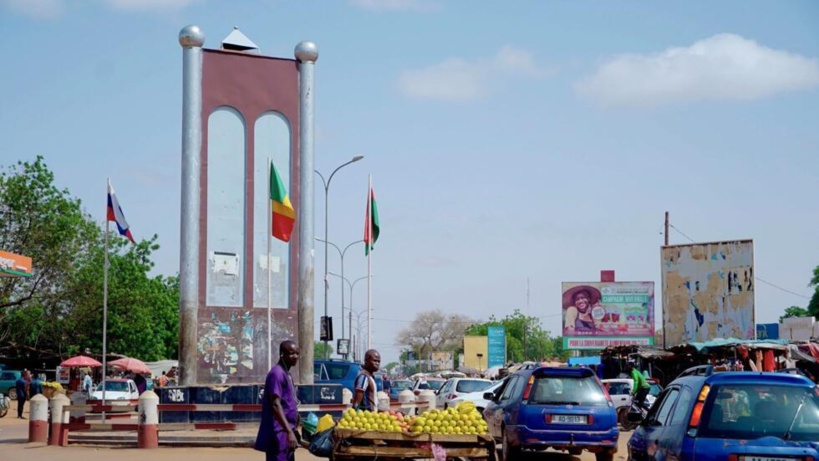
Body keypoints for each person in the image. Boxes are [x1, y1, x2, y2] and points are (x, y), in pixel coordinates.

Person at [255, 340, 300, 461]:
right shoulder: (277, 373)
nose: (295, 356)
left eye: (297, 353)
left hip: (286, 431)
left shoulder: (287, 373)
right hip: (278, 432)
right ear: (282, 354)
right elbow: (275, 404)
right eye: (291, 353)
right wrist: (289, 431)